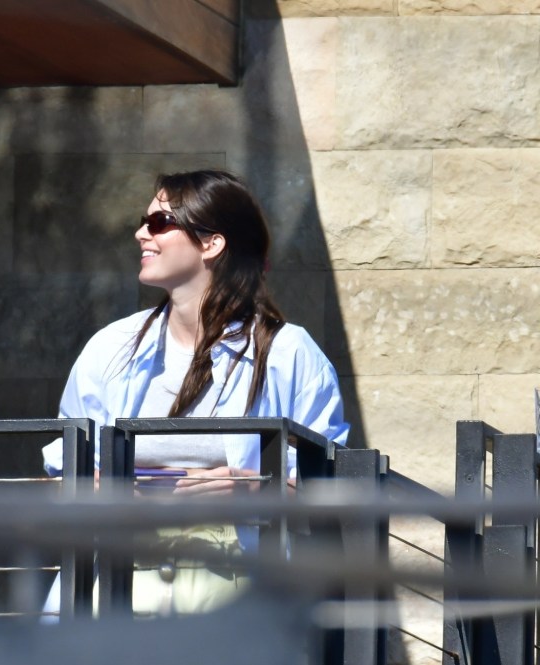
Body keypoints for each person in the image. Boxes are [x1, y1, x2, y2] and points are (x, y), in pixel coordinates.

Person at [41, 169, 348, 615]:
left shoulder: (287, 353)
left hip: (235, 584)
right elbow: (61, 468)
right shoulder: (111, 348)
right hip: (119, 577)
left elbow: (331, 481)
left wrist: (258, 490)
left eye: (160, 223)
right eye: (144, 221)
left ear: (212, 243)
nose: (141, 233)